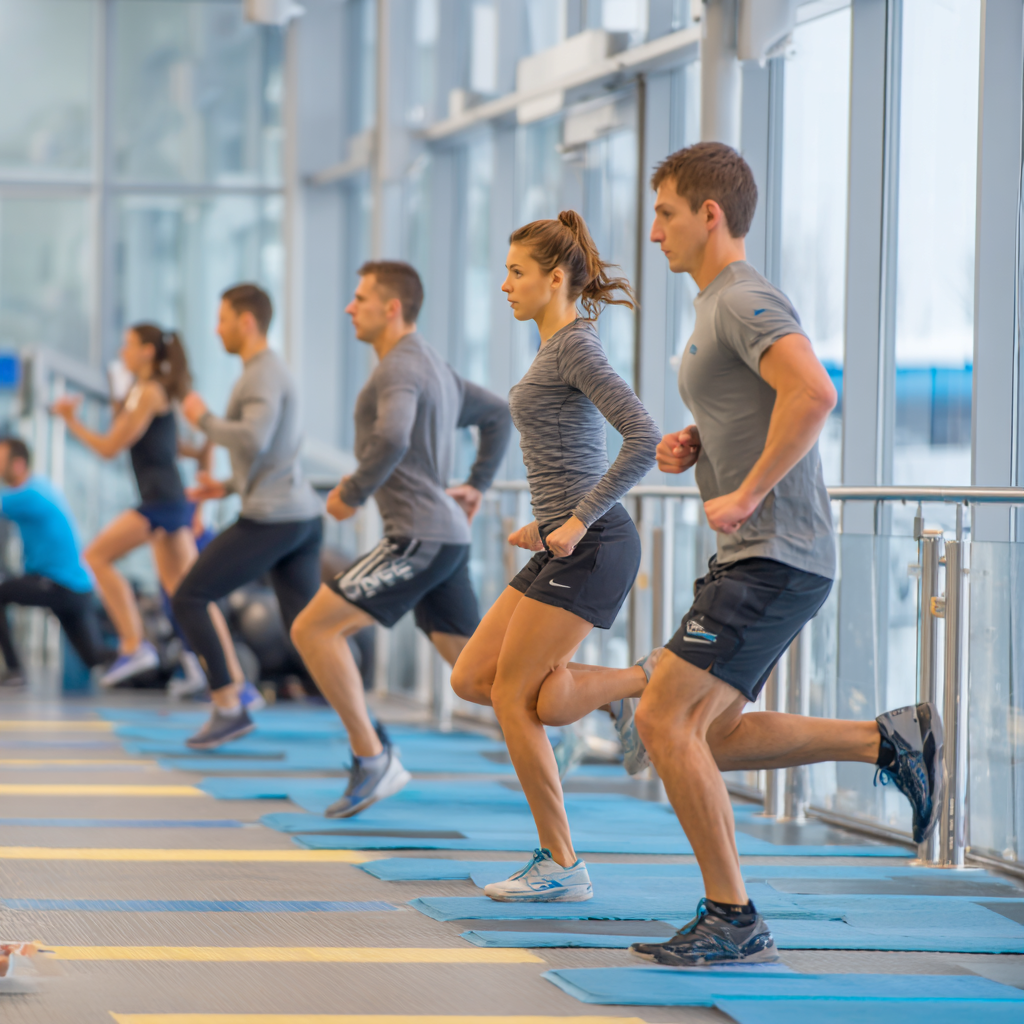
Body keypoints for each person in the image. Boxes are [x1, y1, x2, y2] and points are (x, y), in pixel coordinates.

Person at [617, 142, 941, 966]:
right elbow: (763, 403)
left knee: (661, 718)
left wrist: (751, 488)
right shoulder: (714, 305)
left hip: (776, 549)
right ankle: (887, 739)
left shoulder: (743, 297)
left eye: (665, 213)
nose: (653, 232)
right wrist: (704, 443)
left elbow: (815, 391)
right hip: (763, 554)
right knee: (709, 735)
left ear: (709, 214)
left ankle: (732, 915)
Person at [449, 211, 660, 902]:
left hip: (594, 544)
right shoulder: (552, 348)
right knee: (475, 679)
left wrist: (571, 521)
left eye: (517, 273)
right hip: (564, 541)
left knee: (516, 695)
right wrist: (547, 526)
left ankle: (561, 865)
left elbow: (643, 438)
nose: (504, 285)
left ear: (555, 278)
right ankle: (637, 683)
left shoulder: (577, 348)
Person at [290, 260, 512, 818]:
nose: (349, 307)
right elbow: (498, 416)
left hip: (418, 537)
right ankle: (606, 701)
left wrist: (352, 493)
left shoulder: (398, 368)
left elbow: (390, 436)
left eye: (360, 297)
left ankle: (373, 758)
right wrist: (475, 485)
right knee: (479, 674)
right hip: (444, 536)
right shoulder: (432, 364)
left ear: (392, 308)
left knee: (313, 629)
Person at [51, 324, 244, 693]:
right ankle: (228, 676)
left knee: (96, 556)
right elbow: (177, 447)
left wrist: (70, 420)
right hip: (165, 501)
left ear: (147, 352)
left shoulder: (151, 392)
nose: (122, 351)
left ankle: (133, 645)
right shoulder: (145, 393)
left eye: (128, 345)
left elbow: (109, 448)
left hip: (162, 503)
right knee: (185, 592)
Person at [177, 283, 325, 749]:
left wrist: (201, 417)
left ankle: (228, 706)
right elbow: (273, 454)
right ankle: (364, 726)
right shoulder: (264, 371)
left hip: (275, 518)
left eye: (221, 319)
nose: (215, 329)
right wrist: (226, 486)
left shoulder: (262, 373)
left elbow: (252, 439)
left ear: (246, 321)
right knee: (308, 631)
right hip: (295, 515)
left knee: (190, 596)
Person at [0, 437, 108, 686]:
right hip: (73, 586)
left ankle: (15, 671)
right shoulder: (40, 486)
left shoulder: (28, 493)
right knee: (93, 657)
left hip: (58, 583)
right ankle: (153, 663)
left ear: (17, 465)